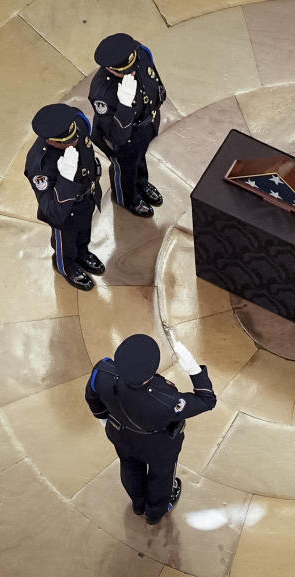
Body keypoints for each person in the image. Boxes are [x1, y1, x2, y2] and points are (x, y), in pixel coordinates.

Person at [85, 334, 216, 525]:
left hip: (120, 434)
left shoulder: (102, 371)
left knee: (129, 466)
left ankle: (138, 504)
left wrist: (105, 420)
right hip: (158, 446)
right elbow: (207, 400)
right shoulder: (165, 399)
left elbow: (92, 397)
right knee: (161, 477)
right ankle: (155, 512)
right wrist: (194, 369)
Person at [25, 103, 104, 291]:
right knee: (66, 242)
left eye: (73, 137)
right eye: (65, 142)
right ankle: (66, 266)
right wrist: (65, 179)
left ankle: (82, 253)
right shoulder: (40, 165)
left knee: (85, 231)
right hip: (67, 210)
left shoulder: (78, 124)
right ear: (49, 141)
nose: (73, 142)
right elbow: (52, 212)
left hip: (87, 195)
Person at [89, 33, 166, 218]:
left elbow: (153, 77)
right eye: (123, 71)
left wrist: (159, 97)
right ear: (109, 68)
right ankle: (127, 197)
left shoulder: (140, 53)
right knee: (125, 167)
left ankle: (141, 183)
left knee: (139, 157)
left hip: (145, 126)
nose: (131, 72)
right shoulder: (102, 91)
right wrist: (124, 105)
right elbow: (116, 136)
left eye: (132, 67)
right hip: (123, 137)